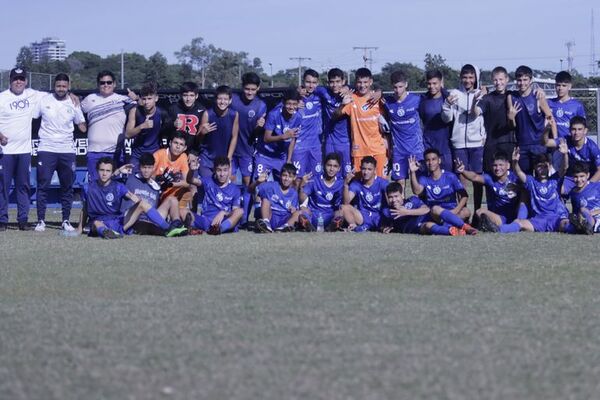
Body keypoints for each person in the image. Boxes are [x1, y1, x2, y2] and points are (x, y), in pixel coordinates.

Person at [77, 157, 185, 238]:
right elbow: (85, 209)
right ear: (97, 170)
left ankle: (168, 228)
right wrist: (79, 229)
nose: (104, 173)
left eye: (108, 171)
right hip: (97, 222)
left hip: (116, 222)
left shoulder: (118, 187)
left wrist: (137, 202)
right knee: (96, 223)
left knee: (143, 203)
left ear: (111, 172)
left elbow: (132, 197)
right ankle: (107, 233)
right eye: (102, 170)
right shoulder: (88, 188)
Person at [33, 73, 87, 232]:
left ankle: (65, 220)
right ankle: (40, 221)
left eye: (64, 86)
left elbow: (81, 123)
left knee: (67, 187)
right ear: (54, 86)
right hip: (46, 149)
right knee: (43, 185)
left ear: (68, 87)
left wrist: (83, 124)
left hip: (67, 150)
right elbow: (32, 115)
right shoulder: (44, 100)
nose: (61, 89)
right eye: (58, 86)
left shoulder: (73, 102)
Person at [0, 68, 50, 230]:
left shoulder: (33, 94)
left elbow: (57, 95)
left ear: (26, 81)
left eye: (21, 79)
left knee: (23, 187)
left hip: (24, 151)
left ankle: (23, 220)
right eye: (15, 79)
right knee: (3, 187)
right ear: (10, 81)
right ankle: (2, 220)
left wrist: (71, 95)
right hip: (4, 152)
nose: (18, 82)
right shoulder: (2, 98)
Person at [442, 64, 486, 214]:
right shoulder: (454, 93)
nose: (468, 80)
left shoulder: (481, 94)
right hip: (459, 143)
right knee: (461, 180)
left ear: (475, 78)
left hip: (476, 144)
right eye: (465, 77)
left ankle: (478, 212)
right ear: (461, 78)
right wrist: (447, 106)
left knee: (477, 180)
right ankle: (463, 212)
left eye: (471, 77)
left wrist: (483, 137)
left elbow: (478, 115)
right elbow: (446, 119)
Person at [503, 147, 576, 233]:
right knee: (518, 222)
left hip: (557, 217)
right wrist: (515, 162)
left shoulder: (555, 179)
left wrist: (565, 154)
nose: (542, 170)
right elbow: (518, 173)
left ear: (549, 166)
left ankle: (580, 228)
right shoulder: (531, 182)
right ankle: (498, 229)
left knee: (565, 224)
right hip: (539, 220)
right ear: (535, 168)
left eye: (545, 166)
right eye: (539, 167)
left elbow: (564, 167)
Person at [81, 70, 136, 181]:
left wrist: (136, 98)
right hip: (94, 152)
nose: (106, 85)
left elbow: (146, 106)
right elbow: (73, 107)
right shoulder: (89, 99)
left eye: (109, 82)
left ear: (114, 84)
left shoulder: (124, 100)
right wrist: (71, 95)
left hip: (116, 152)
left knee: (116, 187)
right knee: (95, 187)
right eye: (102, 83)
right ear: (98, 84)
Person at [409, 148, 477, 235]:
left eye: (433, 159)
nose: (430, 162)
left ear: (439, 161)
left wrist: (456, 210)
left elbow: (464, 195)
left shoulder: (450, 176)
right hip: (435, 214)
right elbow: (417, 191)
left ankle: (451, 228)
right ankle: (464, 226)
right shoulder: (424, 178)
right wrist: (412, 172)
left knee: (466, 211)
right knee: (435, 209)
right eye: (428, 160)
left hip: (452, 211)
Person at [335, 68, 387, 177]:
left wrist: (387, 141)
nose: (362, 85)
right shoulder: (351, 98)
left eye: (365, 82)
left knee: (381, 183)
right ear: (355, 83)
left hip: (378, 149)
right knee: (359, 184)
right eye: (359, 82)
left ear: (371, 82)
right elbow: (335, 115)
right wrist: (343, 104)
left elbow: (387, 122)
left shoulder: (377, 98)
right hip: (359, 150)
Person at [119, 152, 187, 236]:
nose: (146, 171)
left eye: (149, 168)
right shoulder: (129, 178)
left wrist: (169, 184)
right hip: (131, 219)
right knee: (142, 203)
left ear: (153, 168)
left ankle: (177, 225)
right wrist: (118, 172)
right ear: (139, 167)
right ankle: (169, 228)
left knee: (172, 199)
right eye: (144, 167)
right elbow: (109, 181)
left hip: (149, 219)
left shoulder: (156, 186)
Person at [230, 72, 267, 225]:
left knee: (248, 185)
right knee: (228, 182)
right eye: (247, 89)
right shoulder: (233, 100)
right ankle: (230, 217)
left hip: (248, 151)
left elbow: (263, 131)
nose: (250, 92)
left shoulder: (261, 105)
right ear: (242, 87)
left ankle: (244, 219)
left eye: (253, 89)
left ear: (258, 88)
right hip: (231, 150)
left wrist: (260, 127)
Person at [455, 152, 523, 233]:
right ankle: (494, 226)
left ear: (508, 165)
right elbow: (475, 177)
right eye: (495, 165)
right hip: (498, 217)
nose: (497, 168)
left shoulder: (515, 178)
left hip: (515, 218)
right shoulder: (490, 178)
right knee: (479, 212)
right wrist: (463, 171)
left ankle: (511, 225)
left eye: (501, 165)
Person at [507, 65, 553, 174]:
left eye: (525, 80)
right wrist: (511, 118)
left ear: (531, 80)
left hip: (539, 145)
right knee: (524, 181)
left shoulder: (538, 95)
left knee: (541, 178)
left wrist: (553, 140)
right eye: (519, 80)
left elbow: (550, 117)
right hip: (522, 146)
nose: (522, 83)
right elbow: (512, 126)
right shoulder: (511, 97)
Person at [381, 70, 424, 187]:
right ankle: (400, 205)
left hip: (416, 149)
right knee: (399, 184)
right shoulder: (387, 102)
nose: (398, 90)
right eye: (395, 87)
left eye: (400, 86)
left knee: (418, 183)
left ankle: (422, 205)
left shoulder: (416, 100)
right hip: (398, 151)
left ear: (406, 84)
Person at [474, 66, 516, 175]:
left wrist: (539, 91)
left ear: (507, 79)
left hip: (509, 143)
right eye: (495, 80)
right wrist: (474, 102)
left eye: (501, 79)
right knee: (491, 178)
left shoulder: (513, 96)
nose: (498, 83)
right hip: (492, 144)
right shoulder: (487, 98)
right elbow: (476, 112)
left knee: (510, 178)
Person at [185, 155, 243, 234]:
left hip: (223, 221)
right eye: (219, 170)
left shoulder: (235, 189)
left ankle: (218, 229)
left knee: (240, 211)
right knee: (182, 211)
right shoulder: (208, 181)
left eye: (225, 170)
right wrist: (191, 171)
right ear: (214, 170)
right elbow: (190, 180)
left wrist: (223, 213)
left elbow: (235, 211)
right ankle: (197, 228)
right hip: (205, 220)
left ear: (229, 170)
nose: (222, 174)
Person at [544, 116, 600, 194]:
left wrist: (588, 186)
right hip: (572, 177)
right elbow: (546, 142)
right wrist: (546, 129)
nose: (576, 133)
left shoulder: (592, 148)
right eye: (574, 129)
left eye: (580, 129)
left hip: (587, 178)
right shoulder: (565, 140)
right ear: (570, 130)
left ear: (585, 131)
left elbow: (599, 170)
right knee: (554, 190)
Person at [253, 90, 301, 182]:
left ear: (298, 104)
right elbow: (266, 138)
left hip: (280, 157)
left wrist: (289, 159)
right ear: (283, 103)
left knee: (284, 185)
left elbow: (293, 139)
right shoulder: (273, 114)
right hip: (264, 156)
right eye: (289, 104)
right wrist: (283, 136)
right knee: (260, 185)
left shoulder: (298, 117)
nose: (291, 107)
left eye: (294, 104)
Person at [125, 81, 171, 171]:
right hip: (137, 154)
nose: (146, 102)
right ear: (141, 99)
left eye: (149, 99)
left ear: (156, 98)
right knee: (132, 181)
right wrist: (141, 126)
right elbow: (127, 134)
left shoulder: (162, 113)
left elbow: (169, 131)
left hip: (155, 154)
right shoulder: (134, 111)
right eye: (144, 99)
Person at [315, 68, 352, 177]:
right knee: (330, 174)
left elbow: (360, 86)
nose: (334, 85)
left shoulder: (349, 94)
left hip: (346, 142)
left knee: (347, 176)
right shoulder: (324, 92)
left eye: (338, 82)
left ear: (343, 81)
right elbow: (311, 88)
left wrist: (348, 87)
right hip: (330, 142)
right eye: (332, 82)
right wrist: (300, 90)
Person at [296, 152, 344, 232]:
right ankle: (308, 225)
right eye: (329, 165)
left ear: (339, 168)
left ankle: (331, 227)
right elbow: (302, 200)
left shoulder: (341, 183)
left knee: (340, 213)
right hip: (314, 214)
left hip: (330, 216)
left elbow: (345, 202)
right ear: (324, 166)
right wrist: (301, 186)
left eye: (335, 166)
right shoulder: (314, 180)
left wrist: (346, 185)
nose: (331, 169)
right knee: (302, 211)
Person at [197, 85, 239, 178]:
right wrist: (202, 133)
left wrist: (229, 158)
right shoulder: (207, 114)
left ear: (230, 100)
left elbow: (234, 137)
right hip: (207, 159)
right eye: (220, 99)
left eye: (225, 99)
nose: (222, 102)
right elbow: (198, 139)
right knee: (208, 185)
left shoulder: (234, 114)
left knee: (230, 184)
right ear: (215, 99)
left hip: (224, 159)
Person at [341, 156, 389, 232]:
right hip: (362, 217)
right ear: (360, 168)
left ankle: (382, 226)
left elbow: (390, 203)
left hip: (379, 216)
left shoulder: (383, 183)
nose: (366, 172)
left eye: (369, 169)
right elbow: (346, 202)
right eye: (364, 169)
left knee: (387, 212)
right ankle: (354, 226)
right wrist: (346, 184)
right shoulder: (356, 184)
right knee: (344, 207)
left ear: (375, 170)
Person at [419, 69, 453, 172]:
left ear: (441, 82)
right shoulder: (423, 100)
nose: (432, 86)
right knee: (429, 179)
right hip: (429, 145)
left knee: (447, 178)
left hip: (446, 147)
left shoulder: (449, 98)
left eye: (435, 83)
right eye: (429, 84)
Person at [152, 131, 190, 219]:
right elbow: (147, 174)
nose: (177, 146)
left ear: (185, 148)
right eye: (175, 143)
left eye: (181, 144)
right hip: (156, 192)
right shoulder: (159, 154)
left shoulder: (183, 157)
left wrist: (171, 184)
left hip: (172, 195)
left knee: (189, 191)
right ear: (170, 143)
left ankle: (187, 219)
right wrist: (157, 178)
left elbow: (187, 182)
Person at [293, 69, 323, 178]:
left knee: (316, 178)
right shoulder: (295, 98)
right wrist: (295, 100)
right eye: (308, 82)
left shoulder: (320, 96)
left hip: (315, 145)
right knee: (297, 179)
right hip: (298, 146)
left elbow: (340, 88)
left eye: (314, 83)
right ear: (303, 82)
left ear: (318, 83)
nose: (311, 86)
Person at [253, 163, 299, 233]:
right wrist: (257, 182)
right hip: (271, 216)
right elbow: (250, 190)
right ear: (280, 175)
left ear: (294, 178)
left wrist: (293, 209)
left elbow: (294, 210)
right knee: (265, 199)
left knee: (299, 212)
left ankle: (285, 227)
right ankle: (266, 224)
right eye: (284, 175)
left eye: (290, 176)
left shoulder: (294, 193)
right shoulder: (270, 185)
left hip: (284, 219)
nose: (286, 179)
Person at [547, 71, 586, 139]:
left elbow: (583, 127)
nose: (560, 88)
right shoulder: (549, 103)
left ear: (569, 86)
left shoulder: (577, 106)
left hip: (570, 143)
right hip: (553, 143)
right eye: (558, 85)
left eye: (564, 85)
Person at [168, 81, 206, 149]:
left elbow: (202, 136)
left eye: (191, 95)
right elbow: (164, 130)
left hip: (193, 150)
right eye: (185, 95)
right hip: (176, 149)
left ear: (196, 96)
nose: (188, 99)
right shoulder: (173, 108)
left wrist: (194, 152)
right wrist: (172, 124)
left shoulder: (202, 111)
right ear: (180, 95)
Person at [568, 162, 600, 235]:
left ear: (588, 175)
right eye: (576, 177)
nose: (579, 179)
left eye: (582, 176)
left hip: (597, 216)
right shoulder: (573, 193)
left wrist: (591, 213)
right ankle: (587, 227)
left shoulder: (597, 186)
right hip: (586, 219)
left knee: (583, 210)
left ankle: (589, 227)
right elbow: (576, 212)